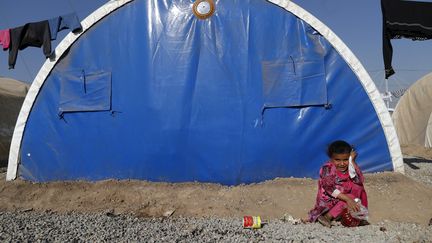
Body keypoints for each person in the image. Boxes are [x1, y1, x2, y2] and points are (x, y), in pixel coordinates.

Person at [307, 140, 369, 227]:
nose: (342, 163)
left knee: (358, 188)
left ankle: (356, 217)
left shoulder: (350, 168)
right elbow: (329, 189)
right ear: (331, 158)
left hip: (346, 198)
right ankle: (327, 217)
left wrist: (352, 162)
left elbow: (359, 180)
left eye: (346, 159)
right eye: (337, 160)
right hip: (330, 200)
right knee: (351, 197)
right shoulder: (327, 169)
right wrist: (348, 199)